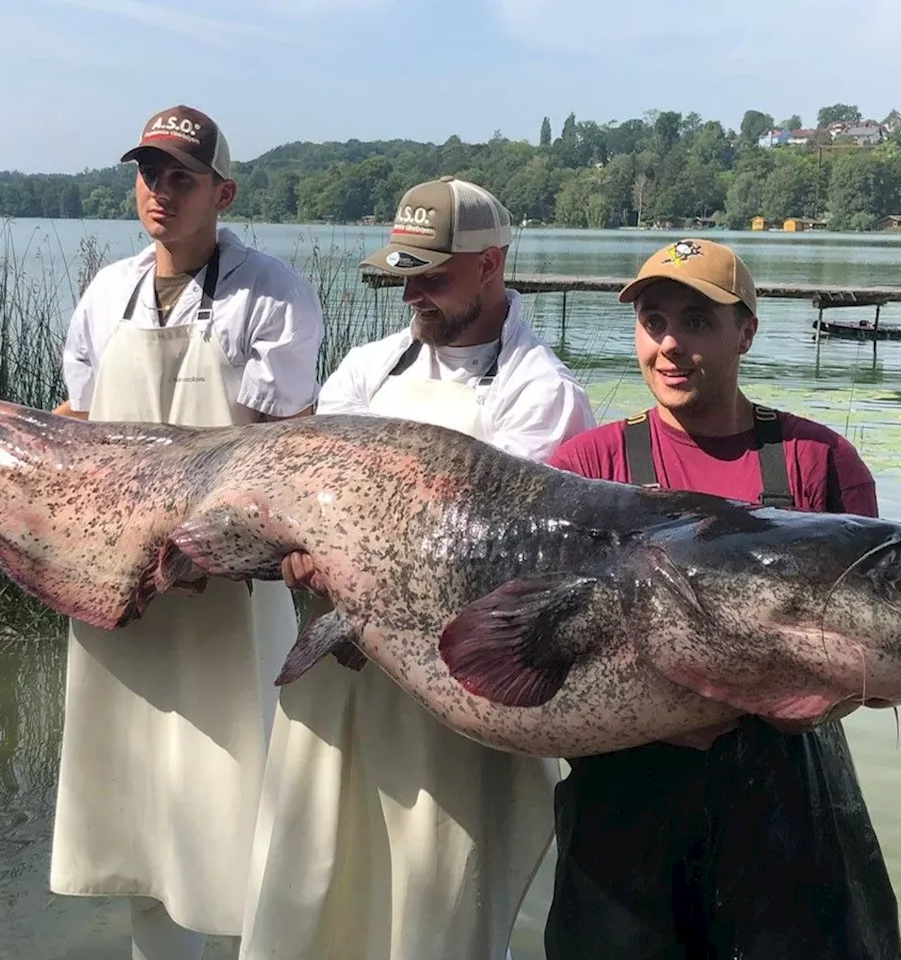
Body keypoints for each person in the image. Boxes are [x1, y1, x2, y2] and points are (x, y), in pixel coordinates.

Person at [0, 104, 325, 960]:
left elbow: (282, 443)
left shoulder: (274, 293)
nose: (161, 191)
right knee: (139, 810)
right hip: (111, 586)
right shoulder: (107, 290)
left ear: (222, 191)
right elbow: (72, 424)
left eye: (182, 176)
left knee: (242, 796)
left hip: (226, 592)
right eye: (149, 173)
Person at [238, 177, 596, 960]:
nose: (414, 293)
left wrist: (343, 542)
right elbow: (301, 491)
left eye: (432, 274)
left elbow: (498, 556)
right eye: (405, 273)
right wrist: (306, 547)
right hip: (337, 684)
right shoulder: (368, 370)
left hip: (462, 702)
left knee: (441, 917)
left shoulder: (544, 394)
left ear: (492, 264)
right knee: (310, 899)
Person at [543, 238, 901, 960]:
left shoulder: (817, 460)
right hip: (624, 791)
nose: (670, 346)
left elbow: (874, 652)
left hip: (788, 802)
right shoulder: (588, 466)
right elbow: (547, 639)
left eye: (697, 322)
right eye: (653, 322)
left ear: (747, 331)